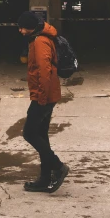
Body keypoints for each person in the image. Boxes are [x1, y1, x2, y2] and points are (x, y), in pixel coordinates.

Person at [18, 11, 69, 193]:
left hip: (43, 96)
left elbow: (44, 71)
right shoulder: (41, 38)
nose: (21, 31)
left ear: (31, 27)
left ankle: (58, 166)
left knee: (29, 134)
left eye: (23, 27)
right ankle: (45, 178)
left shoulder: (40, 41)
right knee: (42, 135)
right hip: (47, 94)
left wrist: (41, 97)